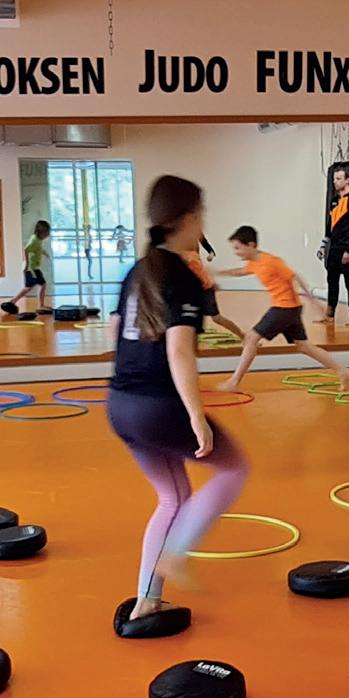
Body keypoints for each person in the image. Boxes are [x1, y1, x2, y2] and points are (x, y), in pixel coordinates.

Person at [106, 175, 249, 622]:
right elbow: (179, 350)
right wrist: (196, 416)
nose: (203, 225)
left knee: (173, 496)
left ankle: (147, 599)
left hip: (120, 405)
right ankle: (177, 554)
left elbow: (115, 331)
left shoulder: (138, 270)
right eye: (201, 216)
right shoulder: (181, 276)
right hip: (156, 406)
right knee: (233, 468)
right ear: (187, 219)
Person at [216, 226, 349, 392]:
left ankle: (234, 382)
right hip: (290, 308)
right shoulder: (253, 263)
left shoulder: (271, 261)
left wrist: (314, 302)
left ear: (251, 245)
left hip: (284, 308)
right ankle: (342, 370)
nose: (236, 252)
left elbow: (296, 277)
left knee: (250, 338)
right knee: (303, 346)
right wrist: (218, 272)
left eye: (238, 248)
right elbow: (240, 272)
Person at [317, 165, 349, 326]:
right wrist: (323, 245)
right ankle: (330, 315)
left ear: (347, 180)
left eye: (338, 179)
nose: (335, 182)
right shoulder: (334, 200)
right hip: (335, 248)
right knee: (332, 281)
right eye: (334, 179)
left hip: (348, 248)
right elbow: (330, 225)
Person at [180, 244, 245, 340]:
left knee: (215, 318)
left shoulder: (188, 257)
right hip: (198, 290)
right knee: (192, 318)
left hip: (204, 290)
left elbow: (198, 275)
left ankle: (243, 336)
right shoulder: (188, 256)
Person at [1, 220, 52, 315]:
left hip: (34, 268)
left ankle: (14, 302)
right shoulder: (34, 239)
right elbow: (26, 250)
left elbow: (38, 249)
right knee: (33, 286)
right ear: (41, 231)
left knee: (36, 285)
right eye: (47, 232)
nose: (48, 234)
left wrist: (44, 253)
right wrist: (27, 264)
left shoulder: (38, 240)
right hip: (31, 268)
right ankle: (13, 302)